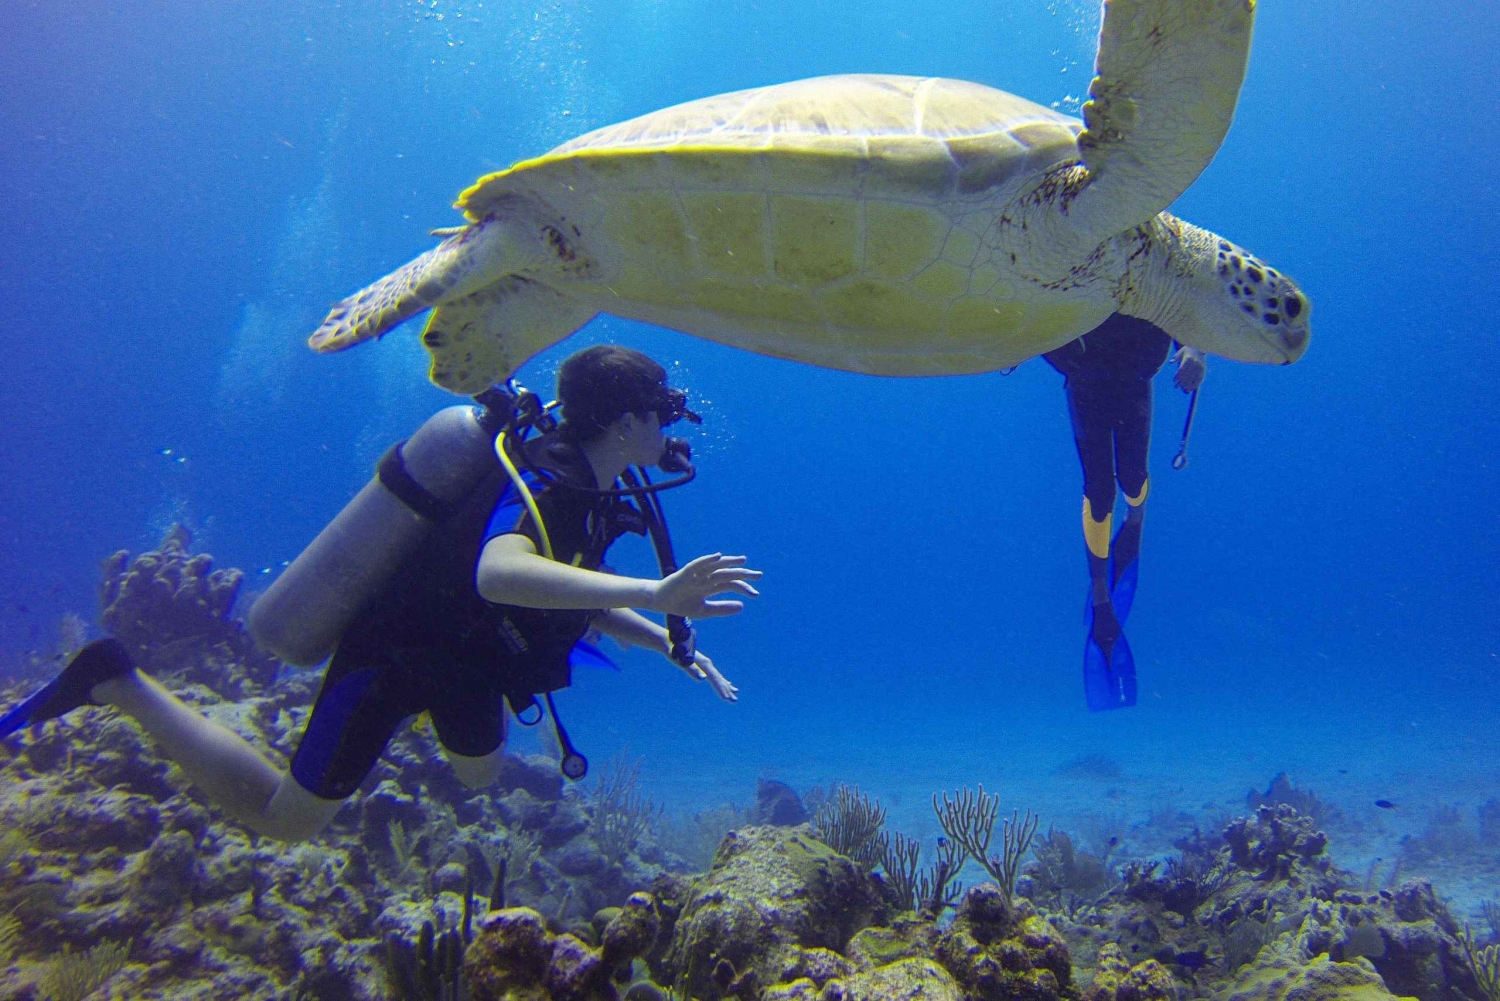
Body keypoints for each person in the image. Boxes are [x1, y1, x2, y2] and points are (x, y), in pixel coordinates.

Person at [0, 345, 762, 841]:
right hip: (395, 655)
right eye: (663, 412)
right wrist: (657, 590)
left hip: (467, 658)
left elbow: (571, 589)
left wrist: (663, 639)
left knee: (480, 774)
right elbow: (500, 572)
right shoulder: (551, 480)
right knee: (288, 822)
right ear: (626, 421)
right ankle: (114, 680)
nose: (671, 428)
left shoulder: (594, 483)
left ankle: (396, 734)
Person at [1043, 314, 1206, 711]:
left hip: (1133, 371)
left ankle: (1137, 518)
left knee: (1132, 479)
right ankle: (1101, 599)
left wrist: (1194, 349)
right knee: (1099, 492)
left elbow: (1180, 289)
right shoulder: (1068, 254)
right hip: (1085, 373)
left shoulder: (1150, 254)